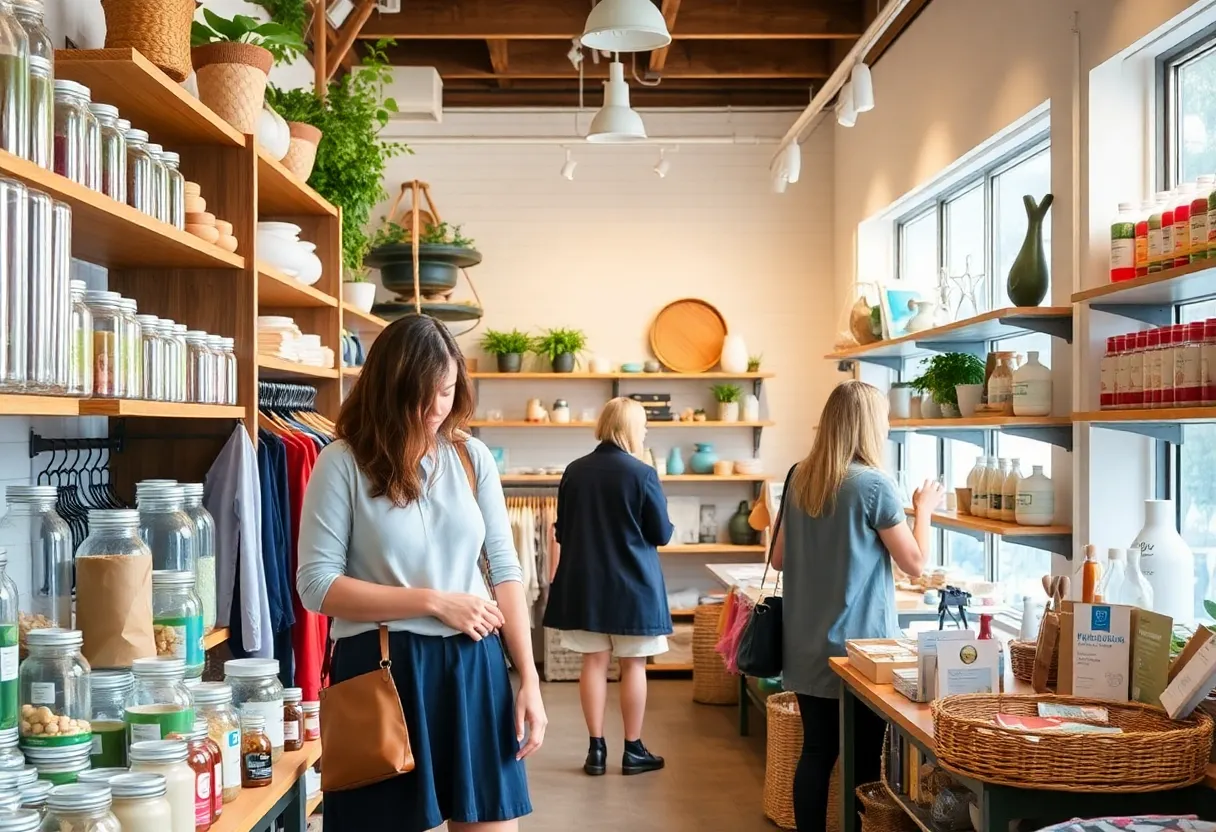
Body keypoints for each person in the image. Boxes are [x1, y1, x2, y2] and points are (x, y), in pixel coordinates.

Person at [296, 315, 545, 832]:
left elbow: (505, 569)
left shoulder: (471, 457)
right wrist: (433, 601)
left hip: (474, 665)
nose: (437, 408)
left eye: (448, 391)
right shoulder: (341, 462)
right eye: (423, 395)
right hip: (384, 669)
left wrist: (529, 678)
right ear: (389, 391)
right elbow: (317, 585)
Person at [770, 380, 941, 832]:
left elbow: (779, 559)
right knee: (865, 760)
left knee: (816, 751)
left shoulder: (798, 476)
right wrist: (923, 509)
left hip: (805, 644)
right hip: (860, 652)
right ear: (868, 426)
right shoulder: (873, 485)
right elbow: (916, 565)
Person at [543, 397, 674, 777]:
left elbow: (563, 531)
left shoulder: (574, 471)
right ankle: (633, 750)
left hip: (586, 586)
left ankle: (595, 751)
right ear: (630, 428)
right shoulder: (642, 473)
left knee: (594, 663)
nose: (646, 432)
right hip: (635, 587)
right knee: (633, 665)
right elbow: (661, 534)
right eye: (644, 425)